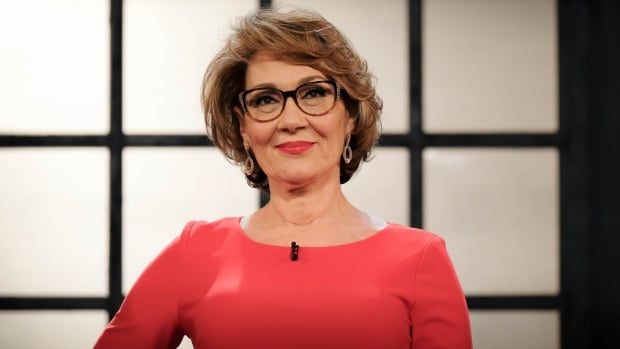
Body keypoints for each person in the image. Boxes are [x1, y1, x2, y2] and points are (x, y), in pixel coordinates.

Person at [94, 7, 472, 349]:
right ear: (243, 127)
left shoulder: (421, 258)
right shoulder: (195, 251)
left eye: (315, 93)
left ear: (351, 116)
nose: (291, 120)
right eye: (264, 100)